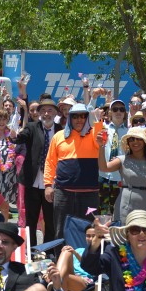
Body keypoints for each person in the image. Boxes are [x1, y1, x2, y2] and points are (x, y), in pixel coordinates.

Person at [44, 103, 105, 240]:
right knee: (61, 231)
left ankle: (86, 261)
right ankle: (61, 260)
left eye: (83, 116)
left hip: (89, 195)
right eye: (75, 116)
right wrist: (48, 185)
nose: (79, 119)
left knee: (88, 232)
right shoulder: (59, 136)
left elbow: (101, 137)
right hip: (63, 194)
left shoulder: (94, 135)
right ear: (70, 118)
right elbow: (50, 162)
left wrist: (98, 120)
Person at [12, 95, 59, 247]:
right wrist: (14, 136)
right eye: (43, 110)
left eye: (50, 110)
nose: (46, 114)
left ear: (55, 113)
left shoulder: (61, 131)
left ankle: (49, 250)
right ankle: (31, 251)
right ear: (39, 113)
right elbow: (21, 137)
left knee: (50, 220)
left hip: (51, 184)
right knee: (30, 221)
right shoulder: (32, 127)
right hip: (32, 181)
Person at [96, 126, 146, 225]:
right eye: (132, 139)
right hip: (125, 204)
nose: (135, 142)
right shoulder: (122, 159)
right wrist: (101, 146)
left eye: (138, 139)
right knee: (123, 235)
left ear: (145, 141)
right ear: (128, 142)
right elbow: (104, 168)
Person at [99, 99, 129, 217]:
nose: (118, 112)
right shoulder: (102, 129)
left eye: (121, 109)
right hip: (103, 176)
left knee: (119, 213)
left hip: (120, 178)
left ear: (125, 113)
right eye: (115, 109)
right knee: (103, 213)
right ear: (110, 112)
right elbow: (90, 119)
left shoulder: (129, 132)